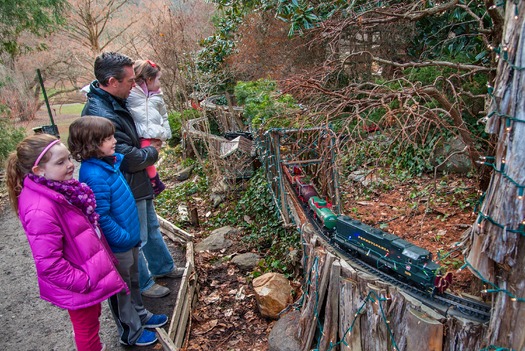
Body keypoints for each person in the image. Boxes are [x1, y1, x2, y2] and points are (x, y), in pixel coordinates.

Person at [5, 134, 128, 351]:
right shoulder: (40, 208)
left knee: (92, 319)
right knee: (86, 328)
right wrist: (86, 281)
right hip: (79, 281)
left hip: (85, 271)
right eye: (60, 162)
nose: (71, 165)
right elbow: (49, 264)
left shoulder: (61, 189)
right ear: (38, 170)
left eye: (69, 158)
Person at [82, 51, 184, 298]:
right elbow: (125, 156)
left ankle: (163, 266)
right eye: (130, 81)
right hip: (125, 184)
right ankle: (144, 284)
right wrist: (151, 152)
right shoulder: (101, 113)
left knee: (150, 227)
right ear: (111, 82)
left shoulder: (117, 100)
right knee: (137, 236)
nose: (134, 85)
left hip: (136, 181)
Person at [68, 116, 168, 346]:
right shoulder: (93, 175)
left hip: (129, 239)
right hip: (119, 244)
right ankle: (130, 332)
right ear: (92, 144)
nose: (114, 141)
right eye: (108, 138)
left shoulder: (110, 164)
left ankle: (141, 315)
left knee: (133, 282)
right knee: (121, 290)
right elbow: (101, 215)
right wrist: (122, 237)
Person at [126, 59, 172, 196]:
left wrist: (166, 133)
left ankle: (153, 180)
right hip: (140, 133)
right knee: (146, 159)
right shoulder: (132, 93)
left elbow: (164, 116)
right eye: (158, 79)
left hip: (153, 133)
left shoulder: (158, 96)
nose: (160, 84)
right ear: (149, 79)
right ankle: (154, 181)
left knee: (151, 156)